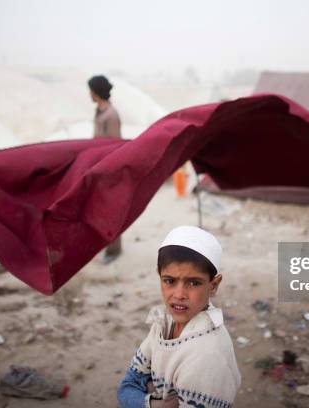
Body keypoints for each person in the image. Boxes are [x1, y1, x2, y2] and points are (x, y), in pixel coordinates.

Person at [117, 226, 241, 408]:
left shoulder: (208, 356)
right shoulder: (163, 323)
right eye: (169, 281)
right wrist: (157, 405)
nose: (179, 294)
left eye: (194, 282)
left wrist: (146, 393)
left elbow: (131, 392)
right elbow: (126, 387)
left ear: (213, 285)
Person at [88, 75, 123, 263]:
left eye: (91, 90)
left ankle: (114, 250)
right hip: (98, 167)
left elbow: (114, 145)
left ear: (96, 91)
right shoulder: (99, 112)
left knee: (110, 210)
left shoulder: (111, 115)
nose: (89, 94)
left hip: (109, 169)